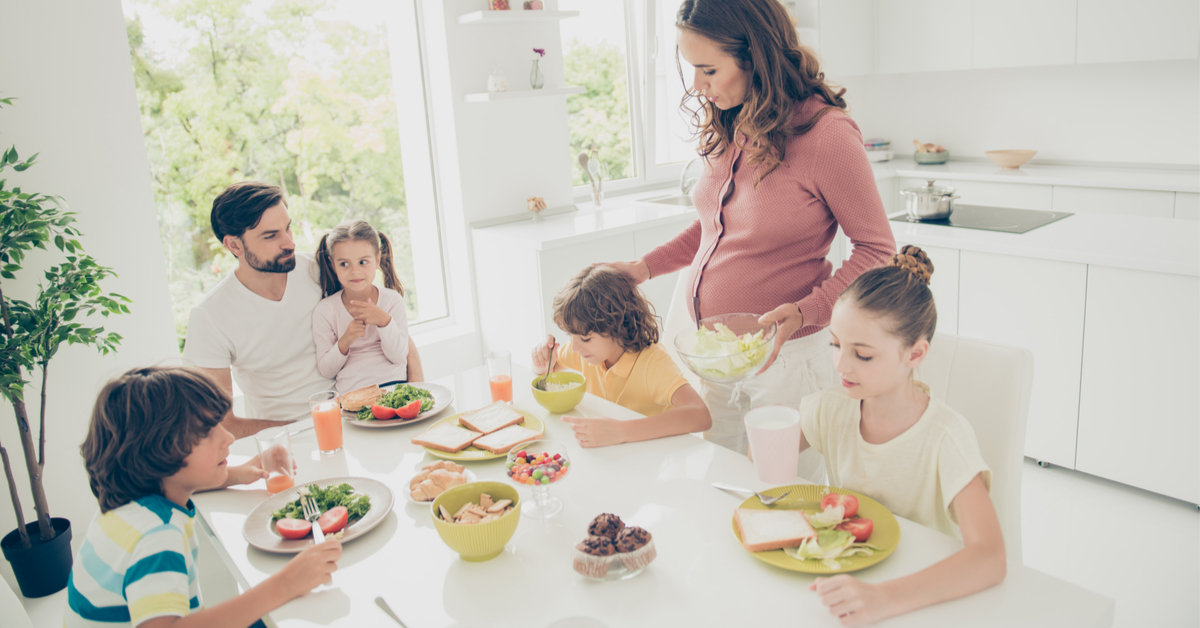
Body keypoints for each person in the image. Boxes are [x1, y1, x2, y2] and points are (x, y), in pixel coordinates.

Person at [602, 0, 895, 478]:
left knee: (784, 499)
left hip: (788, 364)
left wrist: (806, 312)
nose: (698, 84)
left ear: (754, 57)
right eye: (692, 68)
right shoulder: (735, 120)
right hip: (722, 361)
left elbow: (877, 249)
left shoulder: (826, 135)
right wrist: (645, 266)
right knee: (720, 486)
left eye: (708, 69)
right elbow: (718, 224)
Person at [793, 247, 1006, 624]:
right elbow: (761, 462)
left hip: (922, 597)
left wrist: (884, 599)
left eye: (863, 355)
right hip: (849, 583)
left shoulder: (945, 438)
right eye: (835, 345)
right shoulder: (832, 409)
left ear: (915, 354)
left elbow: (990, 557)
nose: (841, 365)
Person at [66, 366, 342, 628]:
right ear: (161, 452)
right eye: (208, 433)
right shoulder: (157, 534)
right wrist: (286, 583)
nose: (229, 438)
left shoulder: (132, 504)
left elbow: (182, 481)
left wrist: (242, 472)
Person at [183, 182, 423, 437]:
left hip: (358, 421)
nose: (289, 243)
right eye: (270, 235)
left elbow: (389, 322)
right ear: (234, 246)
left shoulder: (320, 270)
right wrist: (309, 427)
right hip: (286, 440)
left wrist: (417, 395)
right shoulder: (209, 317)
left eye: (288, 228)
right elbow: (220, 422)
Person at [530, 266, 711, 447]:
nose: (575, 346)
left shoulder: (652, 363)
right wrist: (542, 362)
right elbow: (552, 368)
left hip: (652, 458)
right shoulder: (584, 351)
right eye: (570, 336)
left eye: (585, 338)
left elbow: (699, 415)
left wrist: (622, 432)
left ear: (617, 325)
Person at [313, 219, 419, 394]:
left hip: (394, 388)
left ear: (377, 260)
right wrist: (345, 340)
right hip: (353, 395)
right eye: (344, 264)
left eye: (363, 262)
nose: (355, 271)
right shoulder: (325, 310)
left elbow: (399, 356)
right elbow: (326, 370)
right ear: (333, 264)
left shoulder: (392, 300)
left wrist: (384, 322)